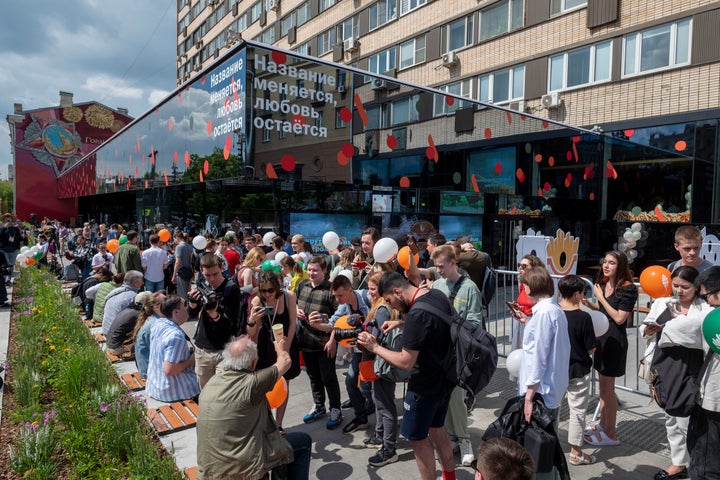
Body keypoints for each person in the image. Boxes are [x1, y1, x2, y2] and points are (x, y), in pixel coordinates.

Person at [357, 272, 456, 480]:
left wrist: (374, 347)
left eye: (390, 301)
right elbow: (432, 327)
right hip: (445, 379)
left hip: (423, 387)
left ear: (397, 291)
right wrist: (402, 325)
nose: (392, 307)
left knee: (417, 439)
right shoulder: (436, 295)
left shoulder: (416, 315)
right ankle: (449, 476)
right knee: (438, 429)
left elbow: (405, 361)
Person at [196, 335, 312, 480]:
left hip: (209, 471)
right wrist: (280, 348)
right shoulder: (252, 384)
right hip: (242, 471)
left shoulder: (212, 382)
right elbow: (285, 362)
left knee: (279, 443)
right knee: (302, 441)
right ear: (253, 363)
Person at [642, 266, 710, 480]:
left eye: (685, 287)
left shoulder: (704, 308)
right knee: (670, 416)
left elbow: (698, 335)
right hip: (665, 365)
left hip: (692, 367)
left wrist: (672, 327)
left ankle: (697, 465)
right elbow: (645, 331)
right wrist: (651, 329)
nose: (679, 290)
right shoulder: (663, 303)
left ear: (697, 287)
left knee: (687, 420)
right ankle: (679, 463)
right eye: (676, 285)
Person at [430, 244, 483, 466]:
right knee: (443, 399)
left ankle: (464, 440)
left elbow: (475, 322)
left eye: (441, 266)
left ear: (454, 263)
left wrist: (452, 325)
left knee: (457, 400)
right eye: (436, 267)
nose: (438, 270)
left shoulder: (470, 288)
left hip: (459, 353)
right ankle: (451, 437)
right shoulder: (436, 284)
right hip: (438, 352)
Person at [516, 266, 570, 480]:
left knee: (540, 449)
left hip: (541, 391)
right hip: (548, 388)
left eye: (525, 284)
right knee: (547, 445)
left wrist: (529, 395)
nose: (524, 288)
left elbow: (539, 356)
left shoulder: (546, 313)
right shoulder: (551, 310)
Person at [583, 250, 638, 447]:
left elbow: (619, 318)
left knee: (608, 390)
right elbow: (605, 311)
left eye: (612, 262)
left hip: (615, 342)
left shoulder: (628, 288)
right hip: (601, 340)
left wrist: (599, 296)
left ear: (621, 266)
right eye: (605, 261)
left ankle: (611, 433)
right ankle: (603, 425)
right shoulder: (605, 284)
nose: (606, 265)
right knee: (602, 389)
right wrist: (590, 304)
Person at [294, 256, 342, 429]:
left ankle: (336, 409)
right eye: (309, 269)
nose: (311, 273)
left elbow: (339, 319)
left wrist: (332, 340)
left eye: (315, 270)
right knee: (313, 376)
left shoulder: (331, 291)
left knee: (328, 377)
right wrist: (298, 310)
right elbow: (296, 305)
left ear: (324, 271)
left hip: (324, 343)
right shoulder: (302, 286)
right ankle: (319, 405)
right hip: (306, 341)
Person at [250, 270, 301, 432]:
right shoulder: (258, 301)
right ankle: (266, 423)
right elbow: (252, 331)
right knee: (266, 385)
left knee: (284, 383)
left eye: (270, 290)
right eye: (263, 290)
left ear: (277, 287)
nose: (267, 294)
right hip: (266, 346)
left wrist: (286, 346)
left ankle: (278, 424)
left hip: (287, 341)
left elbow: (293, 323)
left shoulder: (289, 296)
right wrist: (252, 320)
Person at [189, 253, 248, 388]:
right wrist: (193, 303)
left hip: (224, 349)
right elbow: (191, 314)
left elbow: (234, 326)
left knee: (223, 392)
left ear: (221, 268)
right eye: (207, 275)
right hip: (203, 348)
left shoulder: (231, 288)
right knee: (205, 392)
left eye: (215, 274)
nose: (211, 279)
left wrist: (215, 315)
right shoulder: (202, 284)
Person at [558, 275, 597, 467]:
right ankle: (575, 453)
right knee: (578, 411)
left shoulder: (553, 312)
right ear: (576, 294)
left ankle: (549, 445)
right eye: (582, 292)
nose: (583, 296)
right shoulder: (583, 317)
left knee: (552, 409)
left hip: (557, 369)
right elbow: (590, 348)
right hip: (578, 369)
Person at [363, 271, 402, 467]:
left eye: (372, 289)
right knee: (381, 401)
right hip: (384, 362)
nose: (369, 292)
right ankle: (381, 437)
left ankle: (389, 449)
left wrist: (363, 338)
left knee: (385, 405)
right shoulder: (384, 306)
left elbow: (376, 339)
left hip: (382, 363)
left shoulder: (382, 310)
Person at [326, 275, 372, 435]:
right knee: (351, 380)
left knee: (370, 384)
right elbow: (334, 321)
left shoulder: (367, 297)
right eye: (335, 296)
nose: (338, 299)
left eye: (340, 295)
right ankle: (361, 416)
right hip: (360, 349)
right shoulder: (344, 305)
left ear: (350, 290)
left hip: (375, 348)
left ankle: (370, 408)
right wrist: (330, 336)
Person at [688, 265, 720, 480]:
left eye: (707, 295)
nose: (706, 300)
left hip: (713, 400)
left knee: (707, 461)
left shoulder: (710, 318)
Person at [146, 295, 200, 402]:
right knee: (209, 382)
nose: (188, 307)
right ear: (176, 312)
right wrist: (192, 360)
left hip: (154, 386)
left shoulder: (158, 323)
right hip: (170, 391)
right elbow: (170, 370)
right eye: (185, 305)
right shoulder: (176, 336)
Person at [511, 255, 545, 352]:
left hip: (533, 321)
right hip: (522, 321)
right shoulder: (523, 283)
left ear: (534, 269)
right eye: (519, 265)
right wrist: (518, 307)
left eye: (524, 266)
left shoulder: (539, 284)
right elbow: (523, 300)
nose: (520, 268)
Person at [106, 291, 153, 359]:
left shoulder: (129, 309)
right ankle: (128, 353)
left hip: (110, 344)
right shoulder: (139, 314)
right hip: (116, 348)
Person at [132, 291, 166, 378]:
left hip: (147, 368)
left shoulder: (152, 319)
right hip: (150, 372)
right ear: (157, 307)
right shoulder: (155, 325)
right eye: (166, 301)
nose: (169, 303)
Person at [102, 270, 144, 336]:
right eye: (142, 281)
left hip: (106, 330)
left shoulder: (114, 291)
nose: (143, 283)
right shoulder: (133, 297)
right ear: (135, 284)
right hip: (116, 335)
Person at [172, 231, 194, 300]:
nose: (174, 241)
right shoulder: (189, 247)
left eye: (174, 239)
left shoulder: (179, 247)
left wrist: (174, 275)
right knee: (188, 292)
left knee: (182, 294)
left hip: (181, 272)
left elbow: (177, 262)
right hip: (189, 271)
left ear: (177, 238)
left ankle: (184, 309)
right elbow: (191, 261)